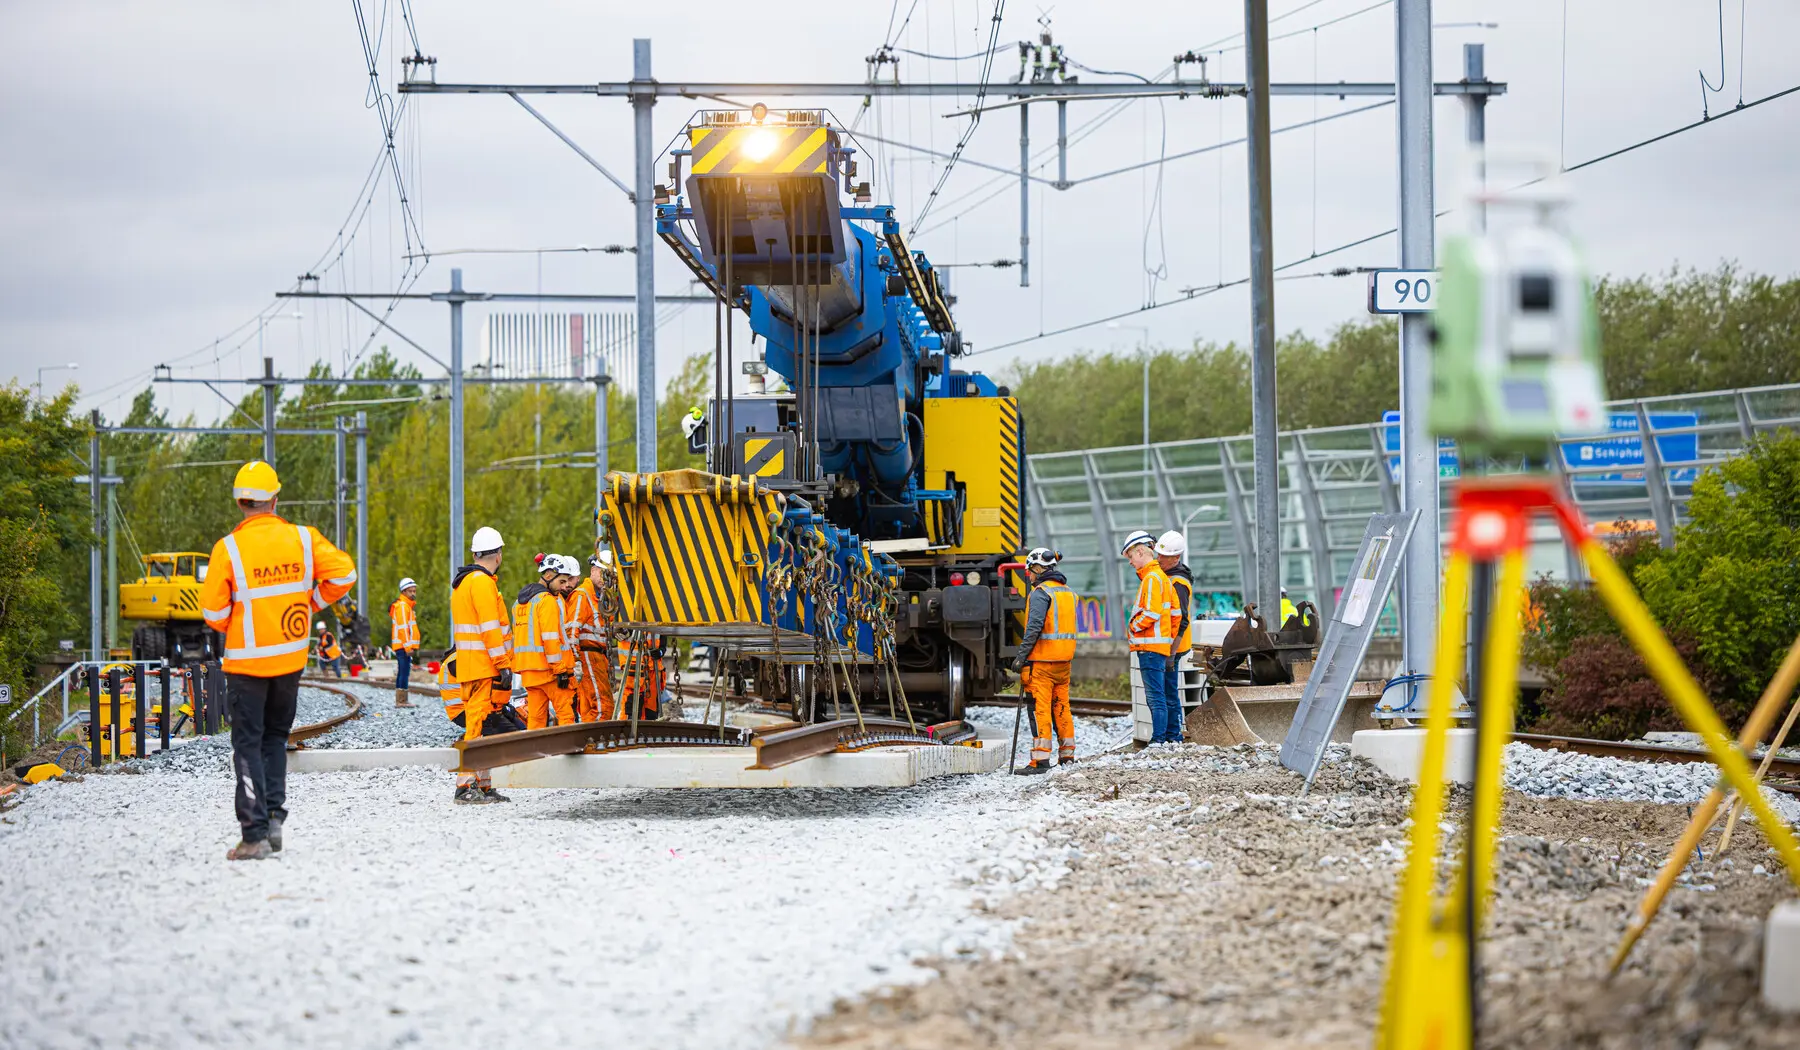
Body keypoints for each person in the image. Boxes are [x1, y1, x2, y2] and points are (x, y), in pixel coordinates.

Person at [200, 460, 358, 860]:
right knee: (274, 739)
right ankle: (273, 818)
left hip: (246, 666)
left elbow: (214, 615)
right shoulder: (303, 539)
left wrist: (243, 621)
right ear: (274, 498)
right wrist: (310, 601)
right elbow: (344, 574)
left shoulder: (228, 549)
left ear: (240, 503)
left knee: (247, 744)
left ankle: (253, 835)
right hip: (290, 660)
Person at [450, 526, 515, 804]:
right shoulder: (482, 583)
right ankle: (465, 788)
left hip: (472, 666)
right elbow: (490, 629)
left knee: (485, 727)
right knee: (477, 728)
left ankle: (484, 785)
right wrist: (503, 664)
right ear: (498, 554)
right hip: (483, 667)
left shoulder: (464, 583)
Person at [1010, 547, 1080, 773]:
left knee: (1040, 710)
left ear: (1039, 569)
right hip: (1064, 663)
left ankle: (1040, 761)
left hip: (1042, 663)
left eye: (1030, 571)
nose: (1029, 576)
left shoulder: (1041, 593)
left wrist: (1021, 657)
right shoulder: (1068, 592)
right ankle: (1067, 756)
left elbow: (1034, 628)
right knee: (1062, 707)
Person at [1121, 529, 1180, 746]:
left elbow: (1152, 613)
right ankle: (1172, 738)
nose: (1130, 562)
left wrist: (1134, 628)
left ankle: (1158, 741)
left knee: (1155, 697)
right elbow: (1175, 615)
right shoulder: (1162, 578)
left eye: (1130, 557)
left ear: (1139, 552)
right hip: (1160, 647)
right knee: (1164, 695)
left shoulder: (1152, 579)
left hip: (1149, 647)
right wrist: (1168, 638)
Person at [514, 553, 578, 730]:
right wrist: (560, 670)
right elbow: (550, 638)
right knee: (565, 714)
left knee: (535, 718)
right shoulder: (547, 601)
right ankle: (567, 750)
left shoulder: (520, 604)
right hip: (549, 672)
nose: (565, 586)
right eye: (562, 581)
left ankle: (535, 753)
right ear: (549, 576)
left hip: (529, 673)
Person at [565, 551, 614, 721]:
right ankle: (599, 740)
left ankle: (590, 741)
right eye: (601, 573)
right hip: (588, 656)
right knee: (603, 705)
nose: (604, 578)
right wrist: (575, 660)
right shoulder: (582, 595)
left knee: (588, 707)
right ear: (593, 570)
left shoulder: (600, 597)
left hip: (596, 656)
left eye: (608, 575)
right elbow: (571, 630)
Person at [1156, 531, 1194, 735]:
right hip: (1169, 643)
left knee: (1169, 691)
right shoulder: (1170, 577)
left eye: (1163, 556)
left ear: (1176, 558)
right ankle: (1172, 734)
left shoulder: (1177, 582)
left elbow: (1182, 618)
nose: (1158, 558)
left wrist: (1171, 652)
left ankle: (1173, 735)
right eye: (1158, 554)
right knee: (1167, 690)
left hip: (1173, 645)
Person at [389, 577, 420, 708]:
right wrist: (408, 647)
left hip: (403, 646)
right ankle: (401, 701)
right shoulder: (402, 606)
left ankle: (401, 700)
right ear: (404, 591)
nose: (413, 593)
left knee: (404, 671)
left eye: (414, 591)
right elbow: (403, 629)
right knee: (403, 672)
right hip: (403, 647)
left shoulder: (406, 606)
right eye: (410, 591)